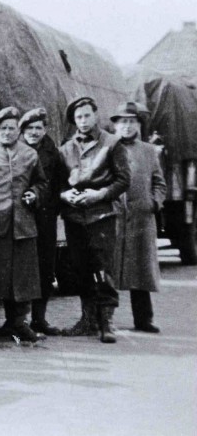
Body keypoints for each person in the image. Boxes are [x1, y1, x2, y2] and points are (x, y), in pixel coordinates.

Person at [0, 107, 48, 344]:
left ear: (19, 131)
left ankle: (16, 323)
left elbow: (42, 183)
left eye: (12, 128)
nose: (7, 132)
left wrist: (34, 194)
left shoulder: (30, 154)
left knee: (22, 278)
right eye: (2, 128)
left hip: (23, 225)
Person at [58, 97, 130, 344]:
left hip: (101, 216)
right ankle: (87, 319)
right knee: (80, 268)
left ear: (95, 115)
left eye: (87, 115)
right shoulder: (66, 149)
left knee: (103, 268)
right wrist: (64, 194)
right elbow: (58, 181)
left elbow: (123, 180)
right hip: (75, 217)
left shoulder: (112, 143)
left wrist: (99, 194)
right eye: (78, 117)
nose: (83, 121)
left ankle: (106, 322)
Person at [110, 102, 166, 333]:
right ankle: (104, 320)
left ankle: (143, 319)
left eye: (131, 121)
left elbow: (159, 182)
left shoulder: (149, 151)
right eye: (122, 121)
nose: (127, 126)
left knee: (141, 269)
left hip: (142, 218)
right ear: (115, 125)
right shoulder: (108, 147)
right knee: (109, 270)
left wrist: (154, 202)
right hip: (114, 216)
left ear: (138, 125)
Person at [19, 108, 63, 336]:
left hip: (45, 218)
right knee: (24, 268)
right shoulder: (16, 150)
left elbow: (59, 184)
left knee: (45, 267)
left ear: (45, 130)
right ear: (23, 130)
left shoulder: (52, 153)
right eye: (30, 128)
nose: (34, 132)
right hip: (21, 217)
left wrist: (52, 207)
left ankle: (39, 318)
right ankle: (20, 320)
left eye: (38, 128)